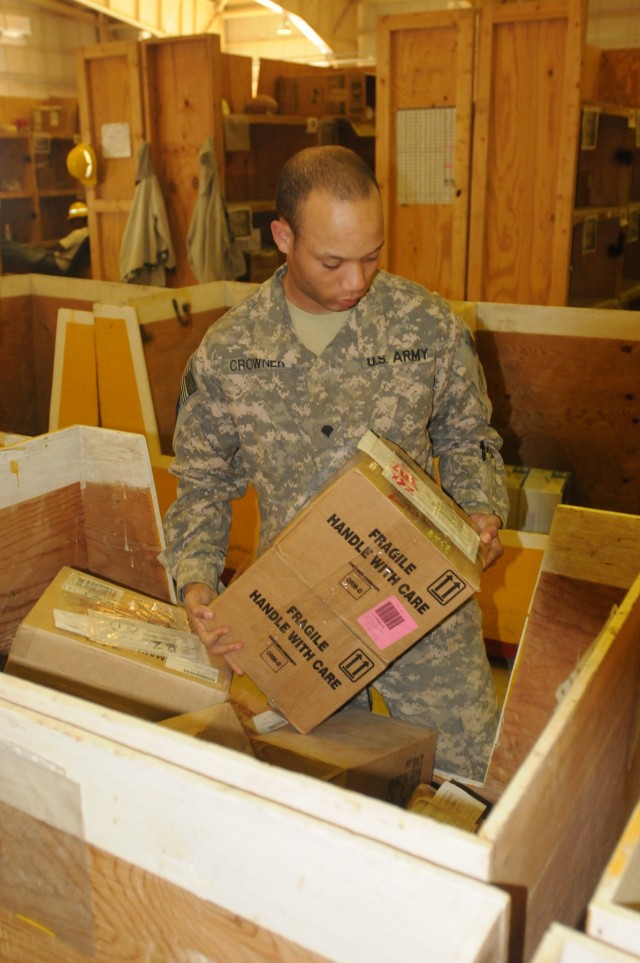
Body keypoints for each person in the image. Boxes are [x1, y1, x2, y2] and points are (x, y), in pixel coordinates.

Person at [162, 145, 509, 781]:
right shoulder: (231, 351)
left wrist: (480, 510)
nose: (356, 281)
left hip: (421, 608)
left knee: (465, 790)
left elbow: (469, 437)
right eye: (333, 261)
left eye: (372, 256)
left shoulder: (425, 325)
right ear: (284, 236)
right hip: (299, 622)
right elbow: (202, 487)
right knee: (317, 801)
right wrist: (196, 584)